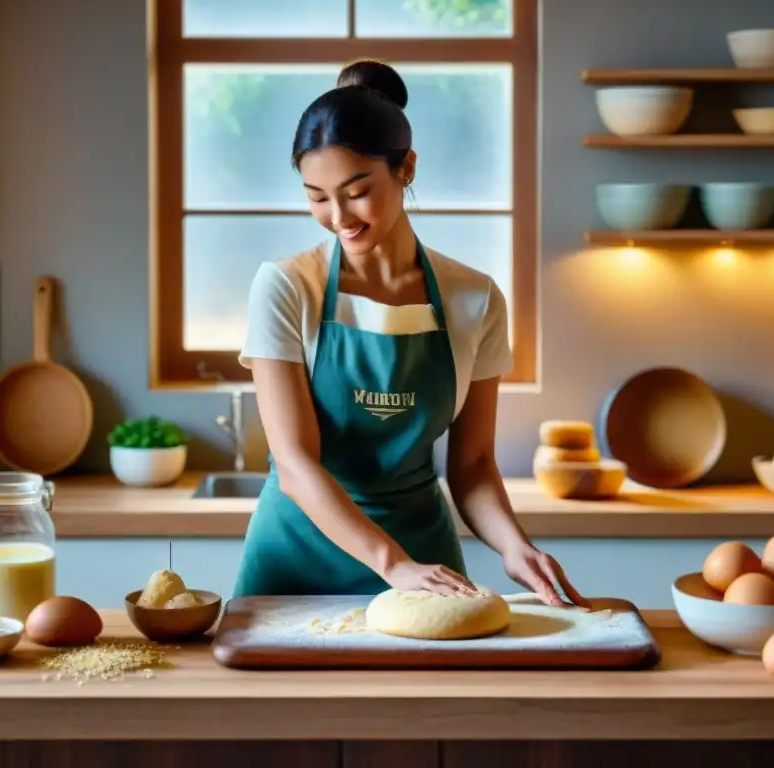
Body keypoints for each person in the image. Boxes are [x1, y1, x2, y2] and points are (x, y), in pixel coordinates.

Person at [233, 59, 587, 608]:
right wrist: (391, 564)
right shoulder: (285, 287)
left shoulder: (476, 299)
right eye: (316, 196)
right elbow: (298, 465)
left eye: (356, 190)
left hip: (425, 560)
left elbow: (471, 466)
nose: (337, 216)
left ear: (406, 168)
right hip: (296, 560)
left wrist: (514, 547)